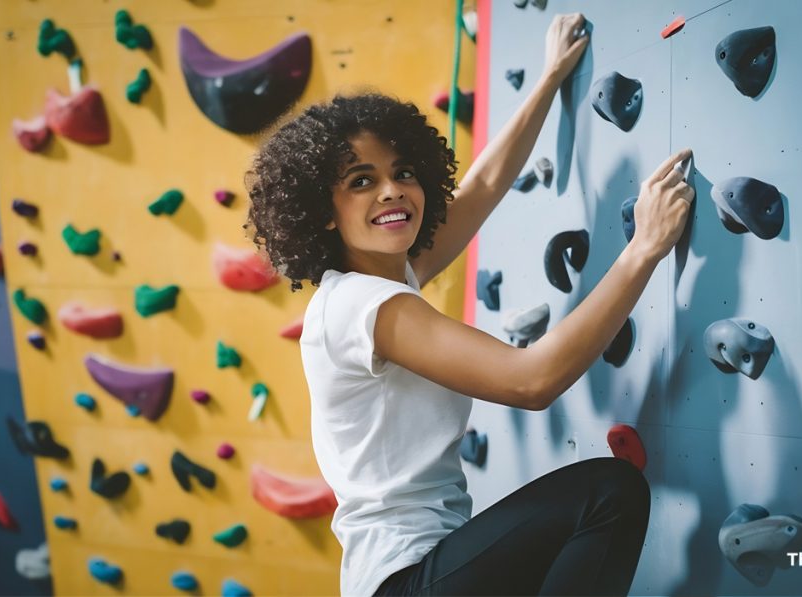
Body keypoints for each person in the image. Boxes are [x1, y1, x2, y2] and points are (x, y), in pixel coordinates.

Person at [245, 12, 694, 597]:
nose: (391, 189)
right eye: (360, 180)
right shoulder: (367, 305)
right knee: (608, 494)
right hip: (405, 580)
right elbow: (532, 381)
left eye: (402, 172)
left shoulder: (381, 279)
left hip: (420, 568)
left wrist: (549, 79)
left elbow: (481, 188)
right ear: (322, 209)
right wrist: (644, 249)